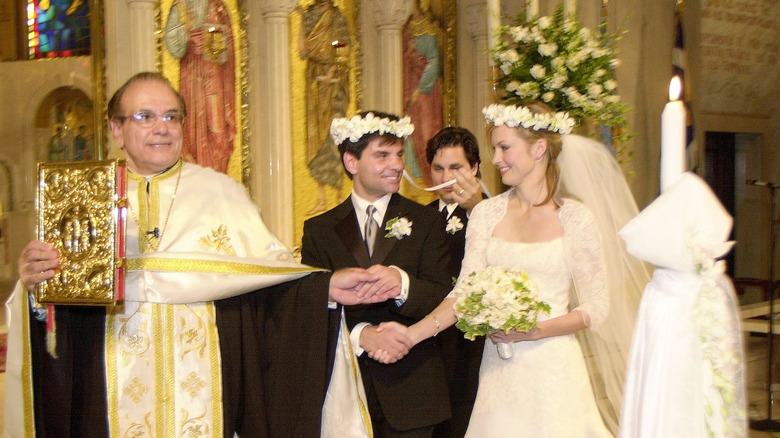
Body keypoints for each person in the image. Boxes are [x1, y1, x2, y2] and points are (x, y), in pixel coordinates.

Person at [6, 72, 395, 438]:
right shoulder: (82, 198)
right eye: (145, 116)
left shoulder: (222, 194)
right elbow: (58, 320)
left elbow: (269, 292)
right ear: (116, 129)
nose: (162, 127)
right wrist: (37, 288)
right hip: (108, 390)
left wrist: (323, 287)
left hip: (207, 395)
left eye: (172, 116)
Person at [375, 102, 648, 437]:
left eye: (505, 148)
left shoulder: (576, 217)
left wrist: (537, 330)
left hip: (554, 373)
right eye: (493, 149)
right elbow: (462, 294)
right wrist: (411, 335)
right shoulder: (486, 214)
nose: (495, 159)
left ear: (539, 148)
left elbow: (597, 308)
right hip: (499, 373)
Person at [301, 111, 453, 437]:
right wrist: (361, 335)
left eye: (399, 154)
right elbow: (310, 304)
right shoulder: (319, 230)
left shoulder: (427, 220)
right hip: (345, 387)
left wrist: (403, 285)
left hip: (413, 389)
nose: (397, 165)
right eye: (382, 155)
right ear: (351, 162)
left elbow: (446, 294)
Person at [424, 127, 484, 438]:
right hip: (428, 346)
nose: (446, 176)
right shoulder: (415, 218)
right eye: (438, 168)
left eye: (456, 167)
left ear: (474, 168)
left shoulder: (495, 212)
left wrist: (477, 209)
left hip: (473, 346)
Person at [164, 0, 237, 174]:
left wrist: (211, 42)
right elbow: (174, 47)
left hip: (215, 78)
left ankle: (217, 178)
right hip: (192, 76)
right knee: (192, 129)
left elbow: (226, 48)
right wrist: (186, 30)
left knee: (217, 129)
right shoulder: (180, 6)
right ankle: (196, 178)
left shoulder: (218, 7)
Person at [297, 0, 351, 215]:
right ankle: (321, 198)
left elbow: (345, 51)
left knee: (333, 139)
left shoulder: (336, 16)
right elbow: (303, 50)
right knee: (315, 139)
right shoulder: (309, 15)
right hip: (315, 85)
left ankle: (339, 197)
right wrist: (301, 18)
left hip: (334, 86)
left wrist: (334, 70)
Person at [402, 0, 443, 185]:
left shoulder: (426, 27)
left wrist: (420, 89)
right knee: (409, 133)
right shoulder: (403, 28)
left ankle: (431, 181)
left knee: (426, 133)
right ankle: (414, 183)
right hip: (407, 86)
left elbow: (433, 60)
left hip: (424, 91)